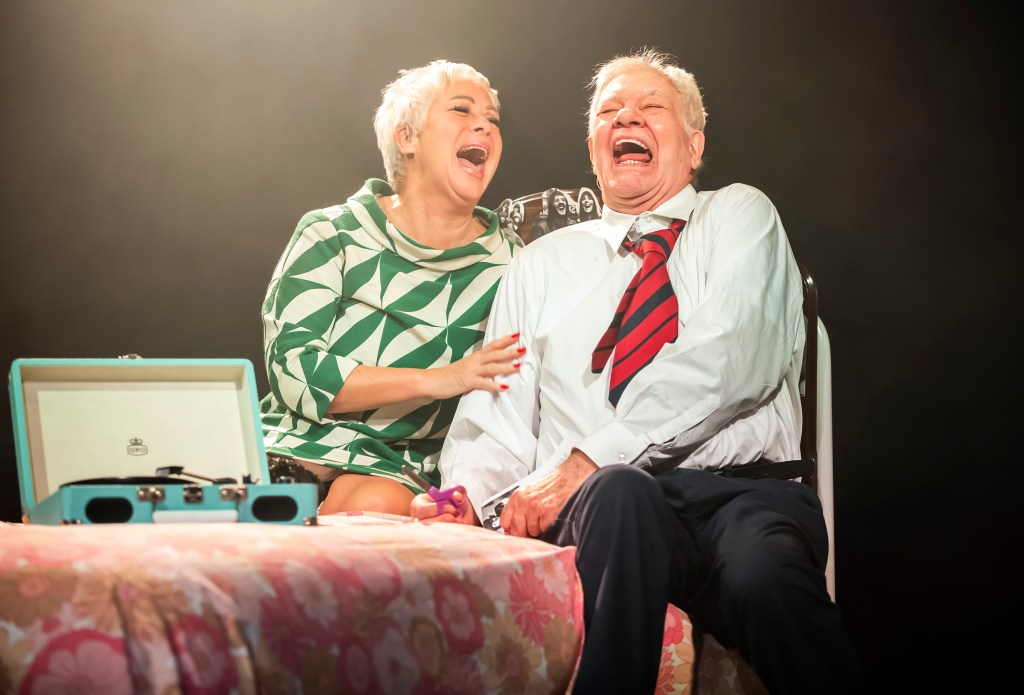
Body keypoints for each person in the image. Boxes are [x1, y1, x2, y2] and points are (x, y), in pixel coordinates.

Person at [411, 49, 865, 693]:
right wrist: (470, 498)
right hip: (603, 509)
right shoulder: (538, 265)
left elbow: (731, 358)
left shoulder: (738, 216)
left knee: (766, 580)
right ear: (593, 149)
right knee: (622, 492)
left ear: (694, 144)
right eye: (609, 112)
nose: (627, 118)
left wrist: (589, 459)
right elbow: (499, 410)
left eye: (651, 107)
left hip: (741, 498)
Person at [260, 60, 522, 517]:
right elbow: (293, 368)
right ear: (407, 138)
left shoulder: (515, 262)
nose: (483, 125)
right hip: (290, 447)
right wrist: (440, 379)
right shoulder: (332, 233)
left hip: (404, 467)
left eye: (492, 119)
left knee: (369, 504)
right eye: (461, 109)